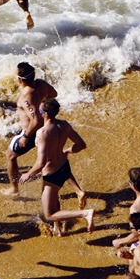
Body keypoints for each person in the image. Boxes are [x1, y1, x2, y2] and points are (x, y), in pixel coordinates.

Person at [20, 98, 94, 234]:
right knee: (53, 199)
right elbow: (81, 145)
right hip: (64, 167)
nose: (39, 112)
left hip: (52, 175)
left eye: (40, 110)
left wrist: (28, 174)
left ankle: (85, 214)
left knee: (48, 214)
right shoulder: (64, 125)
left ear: (45, 114)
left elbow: (41, 163)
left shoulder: (43, 133)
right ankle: (57, 228)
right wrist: (67, 151)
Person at [5, 62, 56, 194]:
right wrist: (42, 104)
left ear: (21, 80)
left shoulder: (25, 97)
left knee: (10, 156)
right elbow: (54, 94)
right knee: (52, 160)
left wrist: (25, 137)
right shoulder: (41, 83)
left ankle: (14, 188)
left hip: (32, 133)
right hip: (46, 127)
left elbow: (36, 120)